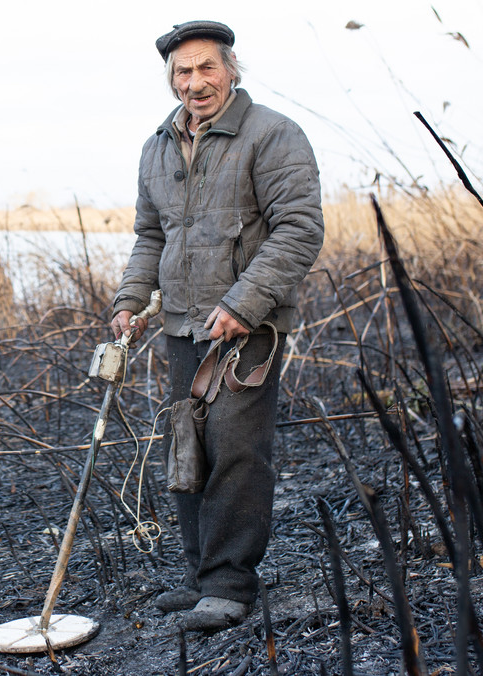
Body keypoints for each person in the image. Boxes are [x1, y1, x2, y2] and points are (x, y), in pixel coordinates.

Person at [111, 20, 324, 632]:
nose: (196, 81)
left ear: (232, 69)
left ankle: (230, 586)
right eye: (184, 71)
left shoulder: (274, 135)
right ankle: (201, 574)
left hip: (244, 327)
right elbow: (151, 236)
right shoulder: (157, 146)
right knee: (188, 449)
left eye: (207, 67)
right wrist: (130, 300)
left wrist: (243, 303)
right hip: (181, 324)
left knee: (235, 451)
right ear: (172, 79)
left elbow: (300, 230)